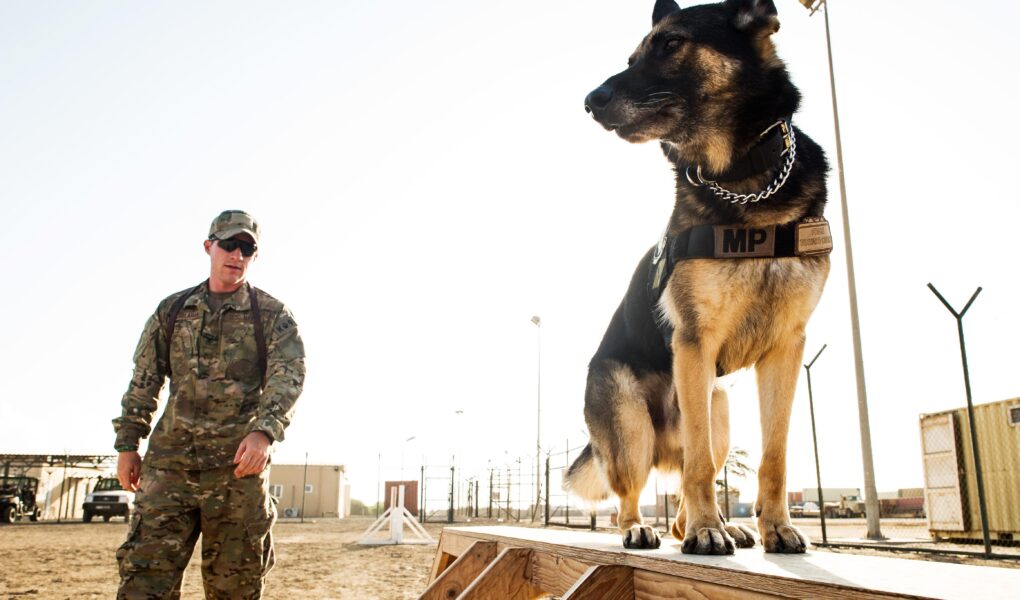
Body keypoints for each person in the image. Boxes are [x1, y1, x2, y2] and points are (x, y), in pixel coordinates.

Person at [112, 210, 305, 599]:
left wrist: (263, 432)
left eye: (247, 248)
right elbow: (145, 380)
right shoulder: (172, 311)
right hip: (169, 470)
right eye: (229, 244)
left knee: (235, 588)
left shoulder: (271, 316)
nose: (237, 254)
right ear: (209, 247)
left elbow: (288, 378)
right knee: (143, 583)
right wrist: (128, 445)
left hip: (236, 474)